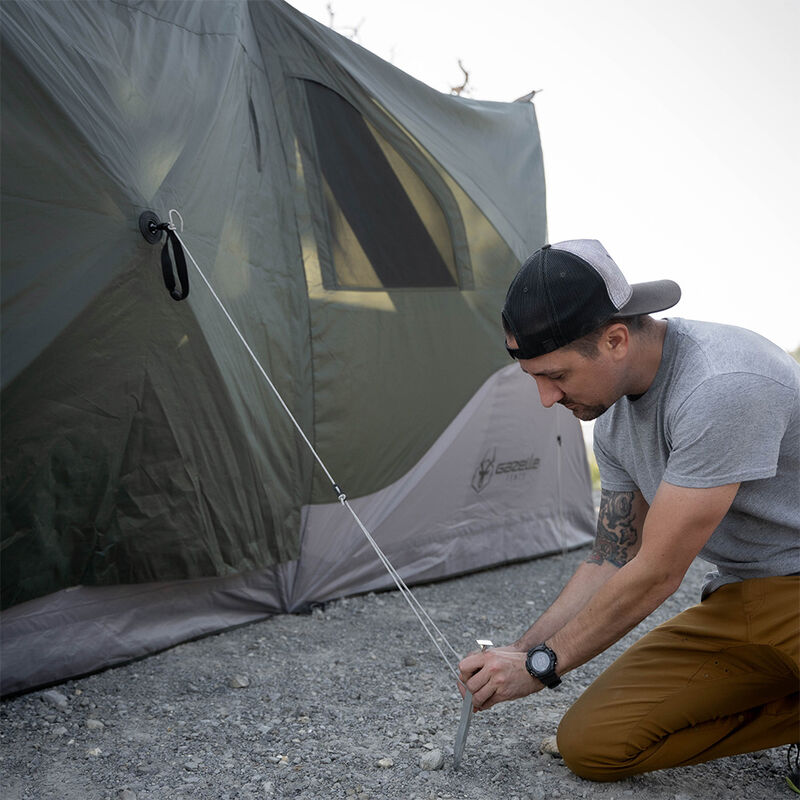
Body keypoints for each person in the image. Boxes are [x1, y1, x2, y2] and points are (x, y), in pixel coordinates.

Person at [458, 239, 800, 782]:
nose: (547, 398)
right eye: (535, 379)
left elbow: (658, 572)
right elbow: (612, 559)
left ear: (616, 339)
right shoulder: (612, 417)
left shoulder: (722, 384)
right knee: (592, 745)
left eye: (558, 375)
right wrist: (519, 651)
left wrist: (541, 667)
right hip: (744, 595)